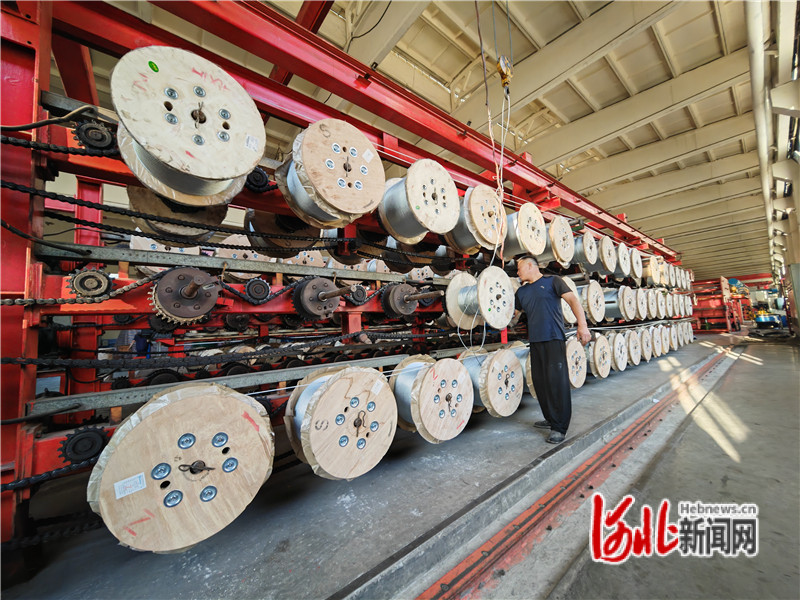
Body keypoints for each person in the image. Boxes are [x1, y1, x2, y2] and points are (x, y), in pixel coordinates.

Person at [515, 256, 591, 444]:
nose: (517, 272)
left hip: (553, 338)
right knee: (540, 383)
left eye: (519, 268)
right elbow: (513, 316)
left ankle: (559, 427)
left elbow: (573, 300)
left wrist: (582, 325)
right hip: (535, 341)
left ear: (530, 265)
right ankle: (550, 418)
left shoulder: (553, 281)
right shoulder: (521, 292)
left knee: (556, 383)